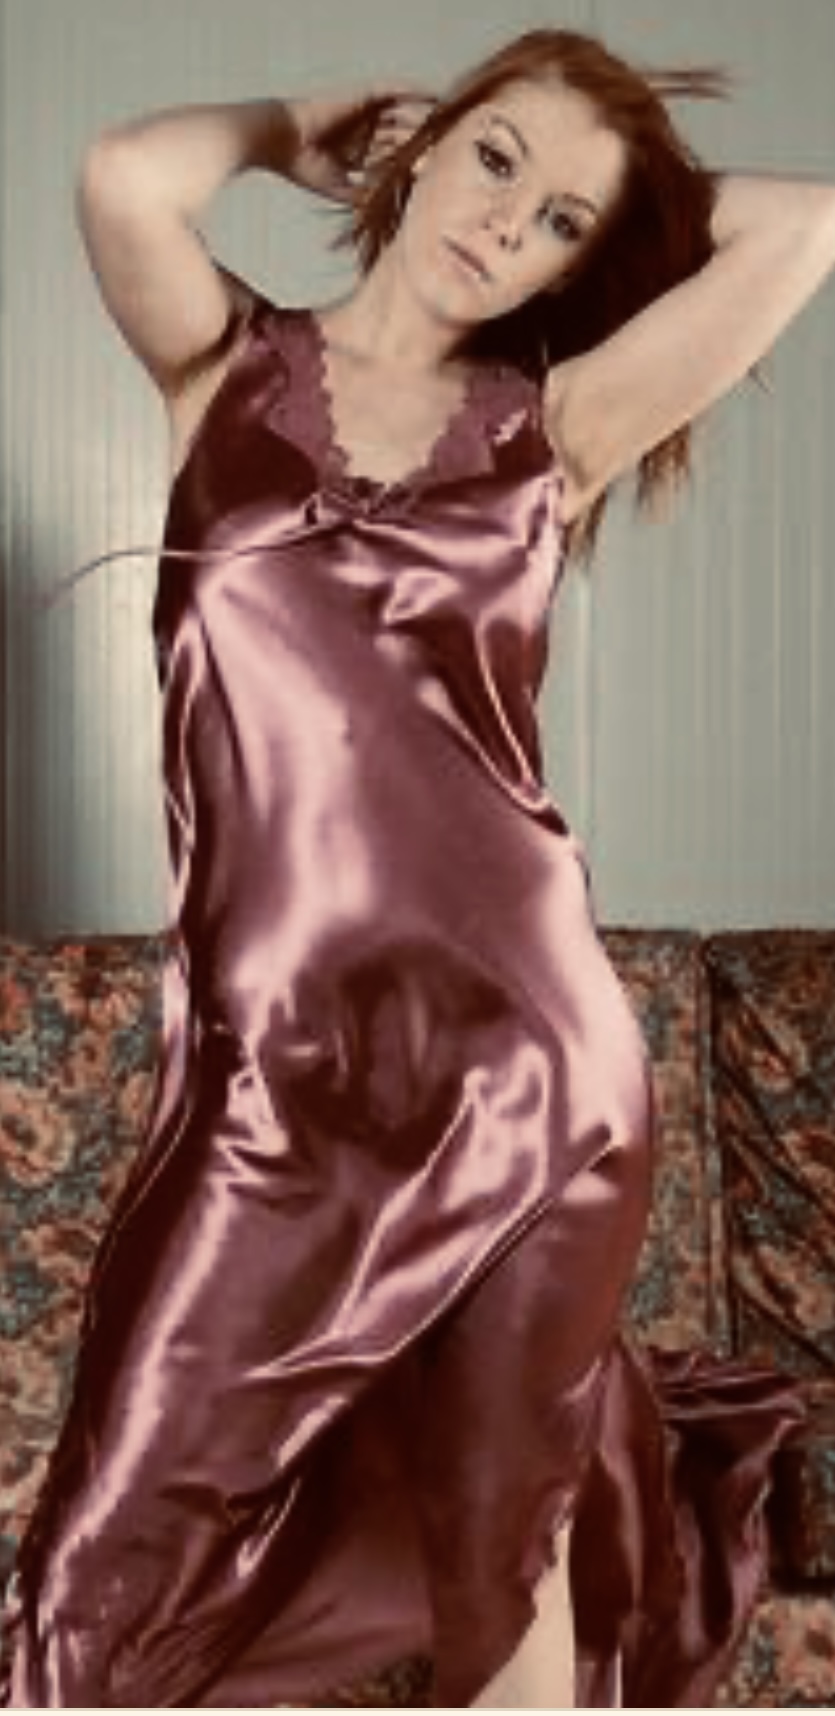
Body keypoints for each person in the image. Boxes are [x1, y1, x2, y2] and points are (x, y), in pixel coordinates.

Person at [3, 23, 835, 1709]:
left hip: (524, 1075)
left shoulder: (556, 430)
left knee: (498, 1546)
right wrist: (292, 122)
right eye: (496, 160)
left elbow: (809, 219)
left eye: (560, 224)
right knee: (103, 1566)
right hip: (268, 1088)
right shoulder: (226, 368)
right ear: (425, 143)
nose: (506, 222)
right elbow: (121, 178)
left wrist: (628, 199)